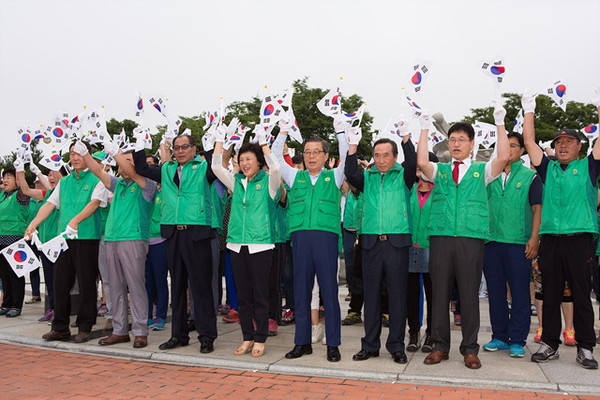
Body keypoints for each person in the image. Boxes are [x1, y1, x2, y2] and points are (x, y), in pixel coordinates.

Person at [417, 104, 510, 369]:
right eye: (452, 139)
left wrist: (500, 124)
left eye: (461, 140)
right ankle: (439, 346)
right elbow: (423, 162)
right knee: (439, 294)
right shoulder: (441, 171)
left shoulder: (482, 172)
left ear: (472, 144)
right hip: (442, 238)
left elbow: (502, 157)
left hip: (470, 239)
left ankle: (470, 348)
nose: (456, 144)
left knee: (468, 295)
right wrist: (424, 128)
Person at [522, 91, 600, 369]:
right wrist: (528, 110)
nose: (563, 146)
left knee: (581, 294)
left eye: (569, 141)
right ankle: (549, 344)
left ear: (579, 146)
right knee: (550, 294)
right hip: (551, 240)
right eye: (559, 142)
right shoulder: (547, 169)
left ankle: (586, 347)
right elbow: (529, 141)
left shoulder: (589, 167)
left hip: (580, 240)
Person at [272, 117, 349, 362]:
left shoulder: (335, 177)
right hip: (300, 239)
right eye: (307, 152)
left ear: (326, 156)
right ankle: (302, 342)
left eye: (317, 152)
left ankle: (333, 345)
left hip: (326, 240)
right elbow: (274, 155)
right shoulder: (295, 177)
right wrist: (283, 130)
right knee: (301, 293)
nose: (311, 156)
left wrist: (339, 130)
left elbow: (347, 155)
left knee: (329, 293)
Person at [133, 133, 218, 354]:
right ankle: (178, 335)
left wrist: (211, 147)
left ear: (193, 148)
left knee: (200, 287)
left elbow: (216, 168)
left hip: (197, 232)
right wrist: (139, 145)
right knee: (177, 286)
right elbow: (141, 169)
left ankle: (206, 336)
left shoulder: (202, 168)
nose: (180, 151)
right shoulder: (167, 169)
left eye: (184, 147)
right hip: (172, 233)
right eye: (176, 147)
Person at [345, 121, 417, 364]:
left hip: (396, 243)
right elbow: (349, 173)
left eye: (386, 155)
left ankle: (397, 345)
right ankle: (370, 345)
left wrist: (406, 137)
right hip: (371, 244)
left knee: (397, 297)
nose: (381, 159)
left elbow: (414, 162)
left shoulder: (403, 177)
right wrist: (353, 144)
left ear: (395, 157)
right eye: (377, 155)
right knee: (372, 296)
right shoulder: (367, 178)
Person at [75, 141, 157, 349]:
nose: (124, 166)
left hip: (133, 239)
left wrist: (116, 152)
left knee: (136, 286)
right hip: (111, 238)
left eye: (129, 162)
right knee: (115, 287)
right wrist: (85, 154)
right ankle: (120, 331)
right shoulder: (117, 183)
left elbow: (132, 171)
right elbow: (96, 170)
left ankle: (140, 331)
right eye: (122, 162)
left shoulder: (146, 185)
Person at [26, 141, 108, 343]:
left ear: (87, 155)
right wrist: (34, 223)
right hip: (63, 239)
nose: (75, 157)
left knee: (87, 283)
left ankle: (85, 326)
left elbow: (95, 203)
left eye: (79, 153)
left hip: (86, 237)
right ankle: (60, 327)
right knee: (60, 282)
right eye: (72, 154)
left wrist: (76, 220)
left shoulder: (98, 179)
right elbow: (50, 205)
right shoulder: (64, 182)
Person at [212, 127, 281, 357]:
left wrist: (263, 143)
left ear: (259, 162)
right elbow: (215, 167)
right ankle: (247, 337)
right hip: (236, 245)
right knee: (242, 296)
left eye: (249, 159)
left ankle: (260, 337)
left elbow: (277, 168)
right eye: (241, 160)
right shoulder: (236, 182)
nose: (244, 163)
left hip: (261, 245)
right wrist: (220, 140)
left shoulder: (269, 184)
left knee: (260, 294)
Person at [482, 132, 542, 358]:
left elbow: (538, 208)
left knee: (519, 293)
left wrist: (534, 237)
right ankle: (499, 336)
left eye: (513, 146)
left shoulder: (530, 177)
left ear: (522, 151)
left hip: (518, 243)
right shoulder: (489, 175)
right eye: (504, 146)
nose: (508, 150)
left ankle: (517, 339)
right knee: (496, 293)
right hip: (492, 242)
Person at [16, 161, 66, 323]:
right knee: (50, 280)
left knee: (60, 280)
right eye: (48, 174)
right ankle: (52, 309)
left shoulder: (65, 192)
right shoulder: (47, 194)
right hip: (44, 244)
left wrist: (39, 172)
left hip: (58, 244)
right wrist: (20, 169)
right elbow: (25, 190)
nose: (50, 177)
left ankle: (60, 311)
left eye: (53, 173)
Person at [406, 153, 438, 353]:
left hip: (432, 248)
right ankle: (414, 332)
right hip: (410, 248)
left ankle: (432, 334)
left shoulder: (440, 192)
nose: (420, 168)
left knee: (433, 294)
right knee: (411, 294)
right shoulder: (409, 190)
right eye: (418, 165)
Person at [0, 165, 31, 318]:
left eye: (8, 177)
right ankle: (6, 303)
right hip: (1, 238)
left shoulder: (20, 195)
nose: (5, 180)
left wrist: (20, 171)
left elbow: (23, 187)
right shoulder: (2, 196)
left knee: (15, 274)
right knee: (4, 274)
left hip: (15, 239)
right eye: (4, 177)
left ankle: (16, 305)